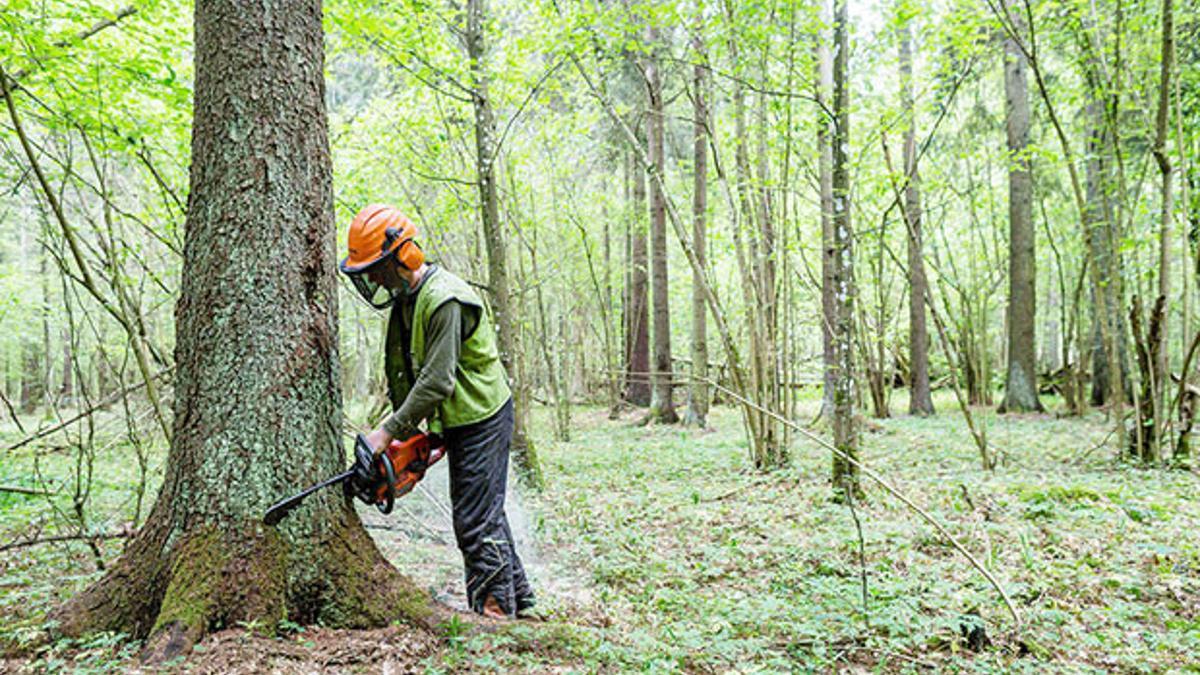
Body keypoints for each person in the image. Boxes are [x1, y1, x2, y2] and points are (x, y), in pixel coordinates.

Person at [338, 204, 535, 620]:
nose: (372, 278)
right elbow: (409, 373)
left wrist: (386, 432)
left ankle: (495, 615)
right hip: (460, 418)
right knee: (484, 514)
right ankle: (522, 602)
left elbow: (438, 380)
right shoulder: (408, 302)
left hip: (482, 415)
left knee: (474, 521)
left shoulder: (444, 299)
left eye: (377, 268)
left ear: (402, 257)